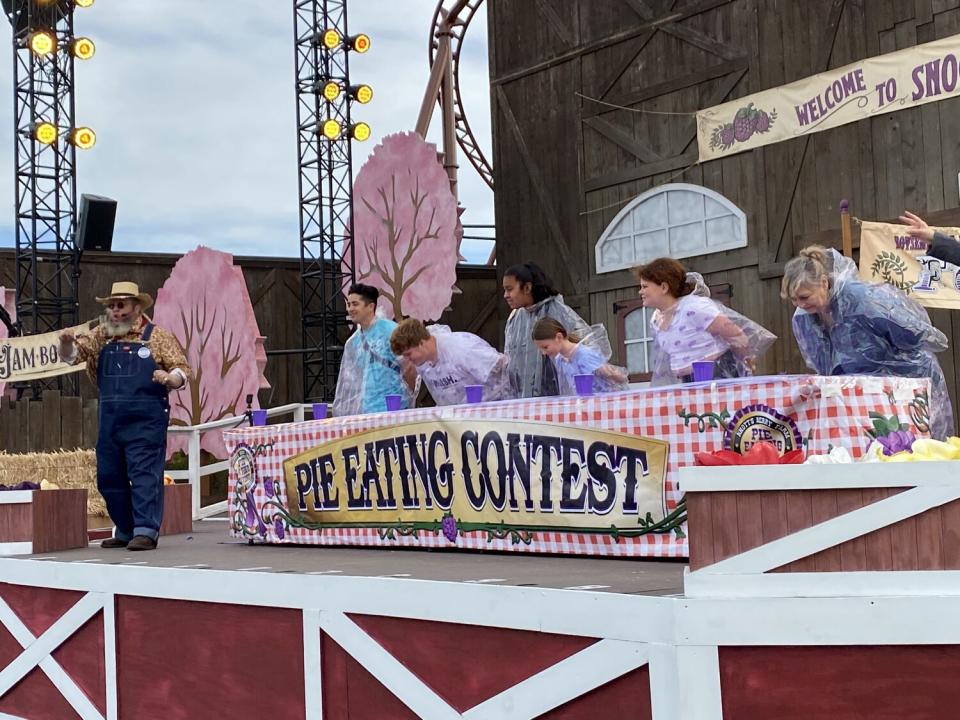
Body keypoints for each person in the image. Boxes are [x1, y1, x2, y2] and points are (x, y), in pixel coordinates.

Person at [58, 281, 191, 551]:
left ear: (137, 307)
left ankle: (145, 531)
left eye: (121, 305)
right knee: (108, 476)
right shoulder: (101, 335)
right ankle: (126, 529)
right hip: (111, 422)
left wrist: (170, 378)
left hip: (146, 421)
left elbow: (182, 369)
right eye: (111, 306)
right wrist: (65, 344)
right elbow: (72, 358)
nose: (115, 311)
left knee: (143, 475)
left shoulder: (157, 337)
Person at [781, 245, 954, 439]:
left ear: (823, 283)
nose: (800, 305)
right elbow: (823, 366)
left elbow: (912, 333)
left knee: (921, 447)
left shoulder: (860, 298)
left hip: (908, 384)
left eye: (804, 297)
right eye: (793, 300)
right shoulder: (804, 318)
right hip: (864, 394)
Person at [634, 258, 775, 385]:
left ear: (664, 287)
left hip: (716, 373)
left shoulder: (693, 307)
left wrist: (746, 359)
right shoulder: (657, 318)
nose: (640, 292)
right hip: (688, 379)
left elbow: (734, 333)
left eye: (645, 286)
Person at [502, 263, 590, 398]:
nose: (505, 295)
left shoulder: (558, 312)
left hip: (558, 400)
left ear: (527, 287)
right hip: (521, 401)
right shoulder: (515, 318)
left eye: (509, 289)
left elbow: (585, 347)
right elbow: (509, 360)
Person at [333, 283, 416, 416]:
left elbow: (409, 368)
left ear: (370, 306)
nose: (350, 309)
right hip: (365, 412)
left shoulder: (391, 330)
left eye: (355, 304)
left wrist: (409, 400)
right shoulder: (352, 342)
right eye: (348, 304)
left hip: (393, 409)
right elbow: (352, 381)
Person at [390, 318, 513, 406]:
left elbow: (501, 366)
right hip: (460, 423)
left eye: (408, 354)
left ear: (421, 343)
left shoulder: (461, 348)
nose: (408, 359)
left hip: (493, 415)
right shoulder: (423, 362)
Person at [532, 318, 628, 395]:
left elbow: (611, 375)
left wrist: (619, 377)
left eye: (545, 347)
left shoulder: (585, 355)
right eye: (541, 349)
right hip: (584, 406)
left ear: (559, 337)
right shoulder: (560, 359)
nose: (543, 353)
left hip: (603, 403)